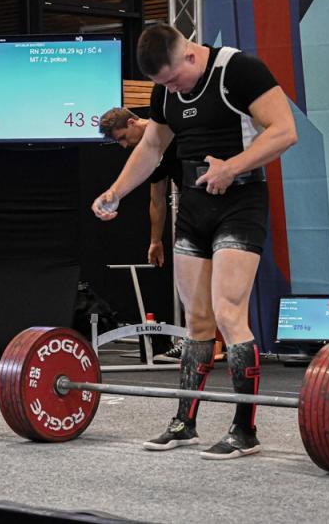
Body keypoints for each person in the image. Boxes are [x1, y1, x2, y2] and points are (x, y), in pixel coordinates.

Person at [92, 25, 297, 459]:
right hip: (194, 207)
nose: (171, 89)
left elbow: (284, 130)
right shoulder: (165, 92)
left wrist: (232, 167)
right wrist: (115, 192)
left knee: (228, 313)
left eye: (173, 79)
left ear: (188, 54)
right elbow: (151, 147)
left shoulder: (239, 70)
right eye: (162, 85)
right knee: (197, 321)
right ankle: (184, 423)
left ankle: (245, 430)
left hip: (240, 202)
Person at [98, 107, 186, 363]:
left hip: (218, 196)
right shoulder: (150, 154)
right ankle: (194, 340)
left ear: (132, 122)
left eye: (123, 137)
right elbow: (156, 200)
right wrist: (155, 240)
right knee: (188, 277)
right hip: (192, 210)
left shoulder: (173, 127)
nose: (125, 146)